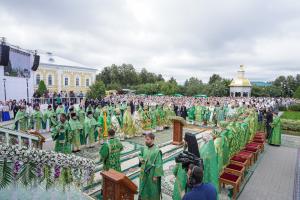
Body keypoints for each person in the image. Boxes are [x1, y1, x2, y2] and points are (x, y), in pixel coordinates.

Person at [138, 133, 164, 200]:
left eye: (147, 139)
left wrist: (155, 176)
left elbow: (159, 164)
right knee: (143, 186)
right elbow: (140, 154)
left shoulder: (157, 151)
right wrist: (140, 158)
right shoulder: (144, 147)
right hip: (143, 172)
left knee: (152, 188)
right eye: (145, 139)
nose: (146, 141)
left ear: (152, 140)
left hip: (151, 173)